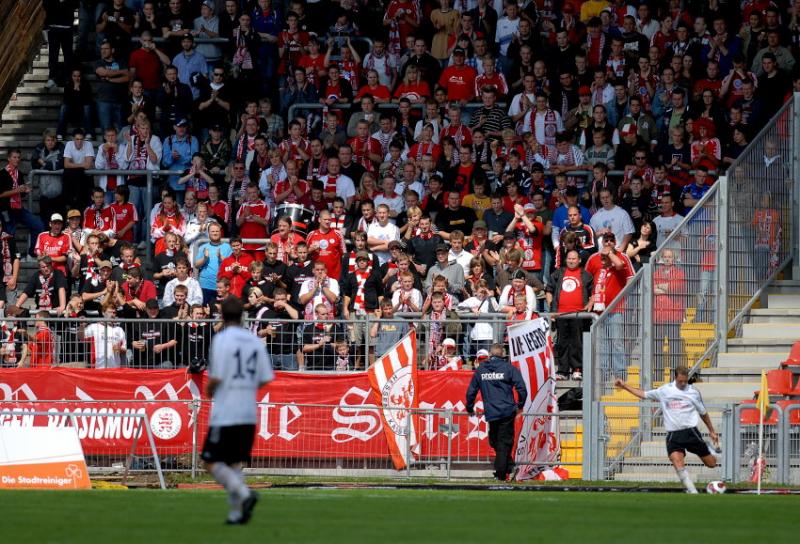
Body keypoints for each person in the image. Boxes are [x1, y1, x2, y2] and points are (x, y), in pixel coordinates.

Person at [202, 296, 272, 524]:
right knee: (234, 464)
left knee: (210, 461)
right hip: (248, 412)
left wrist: (209, 390)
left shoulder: (221, 340)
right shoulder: (253, 341)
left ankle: (244, 494)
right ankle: (236, 513)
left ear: (222, 316)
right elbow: (265, 377)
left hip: (226, 411)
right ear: (242, 316)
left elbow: (216, 376)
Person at [614, 366, 720, 494]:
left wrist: (711, 431)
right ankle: (693, 492)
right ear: (675, 378)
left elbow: (703, 412)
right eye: (680, 381)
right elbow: (643, 394)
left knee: (711, 464)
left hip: (691, 432)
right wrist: (624, 386)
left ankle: (707, 447)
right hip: (673, 435)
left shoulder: (693, 392)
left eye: (685, 381)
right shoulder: (665, 390)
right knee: (677, 462)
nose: (683, 384)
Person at [465, 343, 527, 481]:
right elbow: (522, 388)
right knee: (499, 442)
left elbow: (471, 391)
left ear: (490, 354)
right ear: (503, 354)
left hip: (492, 412)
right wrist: (520, 405)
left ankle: (501, 474)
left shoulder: (481, 370)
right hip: (507, 411)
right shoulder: (509, 368)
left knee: (498, 441)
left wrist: (469, 407)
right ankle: (509, 467)